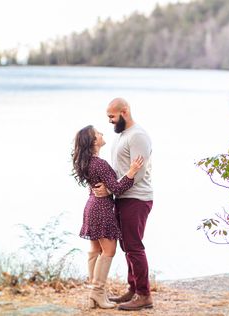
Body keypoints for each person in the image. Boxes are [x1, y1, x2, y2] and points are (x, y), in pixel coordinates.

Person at [72, 125, 144, 309]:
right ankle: (97, 293)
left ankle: (93, 295)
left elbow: (104, 186)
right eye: (98, 133)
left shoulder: (87, 162)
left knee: (95, 250)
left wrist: (107, 188)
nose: (102, 134)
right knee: (109, 251)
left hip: (91, 207)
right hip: (101, 209)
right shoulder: (100, 163)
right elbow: (118, 188)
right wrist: (132, 171)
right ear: (93, 141)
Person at [93, 98, 154, 311]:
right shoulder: (122, 135)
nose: (110, 121)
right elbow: (120, 170)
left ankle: (144, 295)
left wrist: (110, 189)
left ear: (124, 111)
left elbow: (138, 173)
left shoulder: (138, 136)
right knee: (127, 246)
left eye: (112, 116)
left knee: (134, 246)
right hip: (123, 197)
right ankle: (133, 288)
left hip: (137, 197)